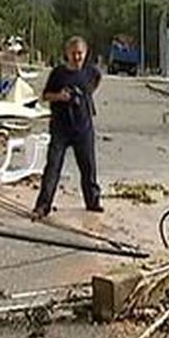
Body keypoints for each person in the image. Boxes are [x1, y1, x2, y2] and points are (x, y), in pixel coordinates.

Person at [33, 36, 103, 218]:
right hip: (60, 128)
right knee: (53, 167)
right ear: (67, 54)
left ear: (85, 53)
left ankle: (93, 202)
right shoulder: (58, 73)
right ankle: (43, 205)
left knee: (89, 169)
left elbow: (95, 82)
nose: (77, 57)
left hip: (84, 128)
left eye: (80, 53)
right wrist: (60, 96)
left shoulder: (91, 72)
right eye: (74, 53)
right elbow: (45, 96)